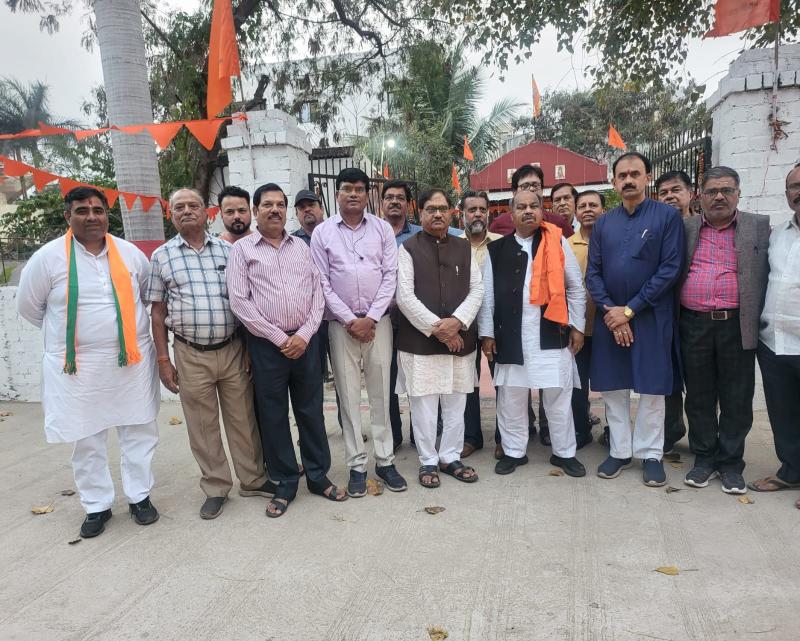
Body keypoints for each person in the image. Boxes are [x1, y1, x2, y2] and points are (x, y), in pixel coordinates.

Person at [17, 186, 160, 538]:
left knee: (138, 430)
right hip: (77, 367)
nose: (92, 216)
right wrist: (76, 339)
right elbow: (30, 308)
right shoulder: (48, 258)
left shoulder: (129, 254)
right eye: (82, 210)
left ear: (107, 214)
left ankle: (139, 497)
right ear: (69, 216)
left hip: (132, 362)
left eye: (98, 210)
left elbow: (144, 296)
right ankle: (97, 505)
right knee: (87, 436)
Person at [148, 188, 272, 520]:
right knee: (202, 425)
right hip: (190, 353)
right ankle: (216, 487)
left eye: (193, 206)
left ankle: (253, 479)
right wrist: (163, 360)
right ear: (170, 215)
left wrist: (247, 348)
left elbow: (244, 301)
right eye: (179, 207)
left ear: (207, 213)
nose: (187, 211)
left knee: (243, 419)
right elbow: (157, 313)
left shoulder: (230, 252)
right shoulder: (161, 256)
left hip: (232, 348)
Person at [227, 183, 347, 518]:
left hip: (306, 343)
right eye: (267, 205)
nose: (275, 210)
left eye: (280, 204)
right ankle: (284, 482)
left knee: (311, 410)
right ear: (255, 211)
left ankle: (317, 475)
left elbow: (318, 293)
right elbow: (240, 301)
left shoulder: (303, 248)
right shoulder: (243, 251)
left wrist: (306, 334)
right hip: (267, 346)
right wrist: (280, 338)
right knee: (274, 414)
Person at [586, 152, 684, 487]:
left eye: (635, 174)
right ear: (614, 181)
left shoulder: (667, 217)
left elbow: (670, 269)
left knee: (652, 389)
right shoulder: (604, 223)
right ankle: (620, 450)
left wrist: (630, 310)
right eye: (622, 175)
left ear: (647, 178)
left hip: (651, 317)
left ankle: (651, 453)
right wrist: (613, 312)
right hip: (610, 319)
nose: (628, 180)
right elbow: (593, 274)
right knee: (614, 388)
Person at [310, 167, 407, 496]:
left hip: (378, 324)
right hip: (341, 326)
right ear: (337, 194)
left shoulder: (382, 230)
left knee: (381, 392)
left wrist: (372, 317)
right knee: (348, 396)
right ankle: (355, 465)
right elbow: (321, 282)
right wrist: (350, 318)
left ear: (369, 195)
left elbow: (390, 276)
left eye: (359, 189)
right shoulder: (322, 233)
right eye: (347, 188)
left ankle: (385, 460)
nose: (353, 194)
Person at [479, 189, 587, 477]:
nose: (528, 211)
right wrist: (487, 335)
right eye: (521, 207)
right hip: (511, 335)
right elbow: (487, 296)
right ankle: (514, 451)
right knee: (512, 398)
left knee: (558, 397)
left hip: (552, 332)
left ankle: (564, 453)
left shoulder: (557, 242)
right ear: (511, 214)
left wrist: (577, 326)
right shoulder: (496, 250)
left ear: (542, 211)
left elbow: (575, 287)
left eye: (534, 206)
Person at [677, 166, 769, 494]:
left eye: (727, 190)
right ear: (699, 195)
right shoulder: (685, 227)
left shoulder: (759, 227)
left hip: (737, 325)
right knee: (699, 396)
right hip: (693, 324)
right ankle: (704, 459)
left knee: (737, 397)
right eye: (712, 190)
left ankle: (731, 464)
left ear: (738, 194)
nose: (719, 196)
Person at [396, 188, 484, 487]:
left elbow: (478, 290)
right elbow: (405, 297)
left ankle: (450, 456)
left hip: (461, 341)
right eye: (431, 209)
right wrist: (441, 330)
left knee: (456, 403)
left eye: (443, 208)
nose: (437, 214)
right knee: (423, 406)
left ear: (451, 212)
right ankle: (427, 461)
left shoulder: (464, 248)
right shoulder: (407, 248)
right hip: (420, 344)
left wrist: (458, 322)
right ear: (419, 213)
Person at [749, 163, 800, 510]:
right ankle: (792, 471)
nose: (799, 191)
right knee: (783, 413)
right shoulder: (778, 234)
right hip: (776, 341)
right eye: (794, 186)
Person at [457, 190, 501, 457]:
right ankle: (471, 437)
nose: (477, 215)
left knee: (503, 380)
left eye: (482, 210)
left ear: (488, 213)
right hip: (463, 324)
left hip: (497, 325)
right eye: (471, 210)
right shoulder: (452, 244)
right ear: (462, 214)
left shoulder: (501, 244)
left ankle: (504, 436)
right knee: (467, 382)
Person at [655, 169, 695, 454]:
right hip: (664, 312)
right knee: (667, 375)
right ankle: (671, 428)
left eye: (676, 190)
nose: (670, 196)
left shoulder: (700, 226)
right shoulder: (657, 229)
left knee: (699, 378)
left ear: (690, 193)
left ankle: (703, 436)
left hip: (696, 315)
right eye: (664, 193)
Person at [381, 179, 421, 451]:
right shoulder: (373, 233)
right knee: (386, 379)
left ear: (409, 204)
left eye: (400, 198)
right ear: (382, 203)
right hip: (383, 319)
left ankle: (422, 435)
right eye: (389, 197)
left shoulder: (420, 234)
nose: (394, 201)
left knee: (419, 379)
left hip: (415, 320)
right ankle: (393, 436)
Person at [568, 190, 606, 449]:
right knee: (577, 385)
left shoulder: (613, 240)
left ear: (603, 208)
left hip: (609, 325)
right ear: (575, 212)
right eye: (582, 206)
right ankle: (581, 431)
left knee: (613, 386)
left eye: (593, 204)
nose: (588, 209)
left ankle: (615, 432)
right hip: (578, 328)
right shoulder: (566, 244)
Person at [488, 164, 574, 238]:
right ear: (514, 193)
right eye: (525, 186)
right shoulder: (500, 224)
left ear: (542, 190)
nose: (532, 189)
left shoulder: (558, 223)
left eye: (536, 185)